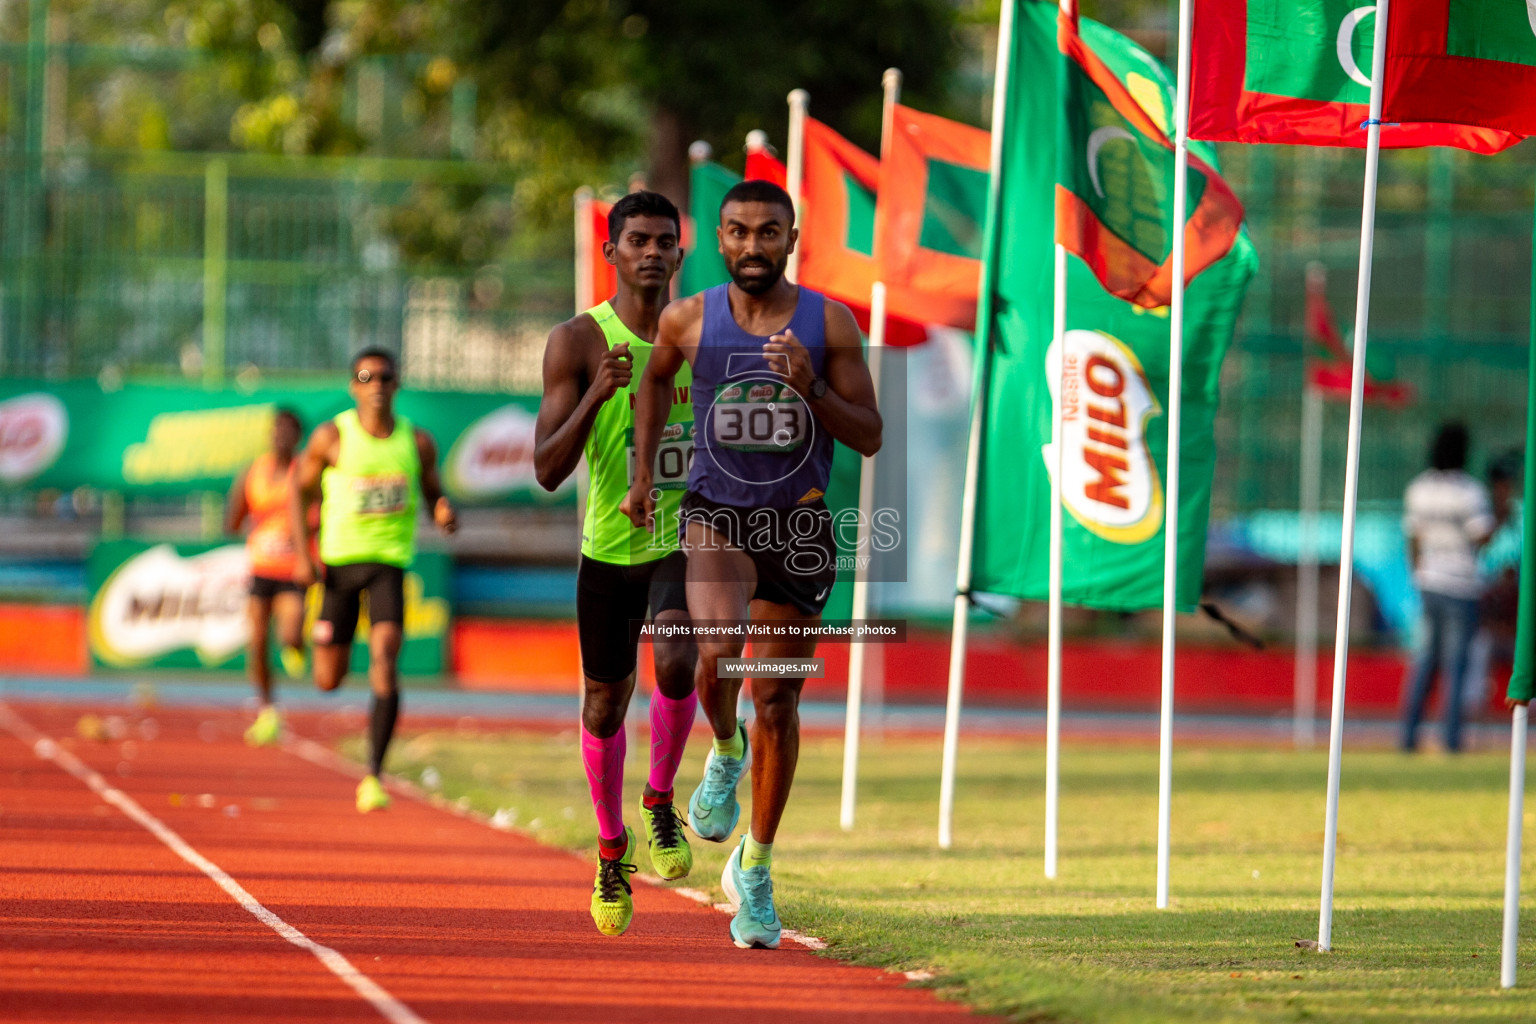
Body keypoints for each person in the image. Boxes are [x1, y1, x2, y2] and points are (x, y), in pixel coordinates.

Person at [624, 179, 882, 949]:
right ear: (721, 239)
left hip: (799, 530)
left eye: (768, 233)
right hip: (716, 516)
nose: (752, 246)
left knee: (778, 700)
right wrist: (644, 475)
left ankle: (758, 867)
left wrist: (811, 389)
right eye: (738, 231)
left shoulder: (830, 323)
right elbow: (655, 381)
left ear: (791, 240)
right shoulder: (688, 317)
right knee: (716, 649)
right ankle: (725, 752)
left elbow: (868, 434)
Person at [534, 190, 699, 938]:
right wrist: (598, 392)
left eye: (666, 240)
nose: (653, 251)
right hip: (607, 550)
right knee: (604, 704)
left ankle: (659, 801)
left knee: (678, 659)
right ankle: (610, 847)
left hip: (683, 540)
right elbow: (545, 468)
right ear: (611, 252)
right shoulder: (575, 342)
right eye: (638, 239)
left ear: (679, 252)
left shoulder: (704, 335)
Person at [290, 348, 457, 811]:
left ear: (396, 384)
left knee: (385, 659)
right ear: (354, 386)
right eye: (367, 376)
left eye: (385, 376)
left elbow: (432, 489)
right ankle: (313, 634)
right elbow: (297, 490)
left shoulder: (416, 441)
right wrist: (303, 555)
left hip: (389, 562)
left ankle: (373, 776)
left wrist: (441, 511)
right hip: (339, 565)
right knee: (327, 680)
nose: (377, 384)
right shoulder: (332, 438)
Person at [1400, 422, 1495, 753]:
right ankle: (1451, 740)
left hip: (1428, 582)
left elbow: (1413, 538)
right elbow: (1481, 536)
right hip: (1461, 585)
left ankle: (1408, 737)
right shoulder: (1470, 491)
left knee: (1424, 663)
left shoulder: (1418, 488)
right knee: (1456, 667)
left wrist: (1418, 574)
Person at [226, 407, 308, 747]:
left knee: (288, 632)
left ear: (297, 437)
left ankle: (295, 645)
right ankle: (267, 708)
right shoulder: (253, 471)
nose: (281, 436)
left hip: (293, 567)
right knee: (257, 641)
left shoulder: (305, 471)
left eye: (288, 431)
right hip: (261, 566)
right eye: (277, 430)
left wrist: (304, 534)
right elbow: (233, 519)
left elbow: (321, 512)